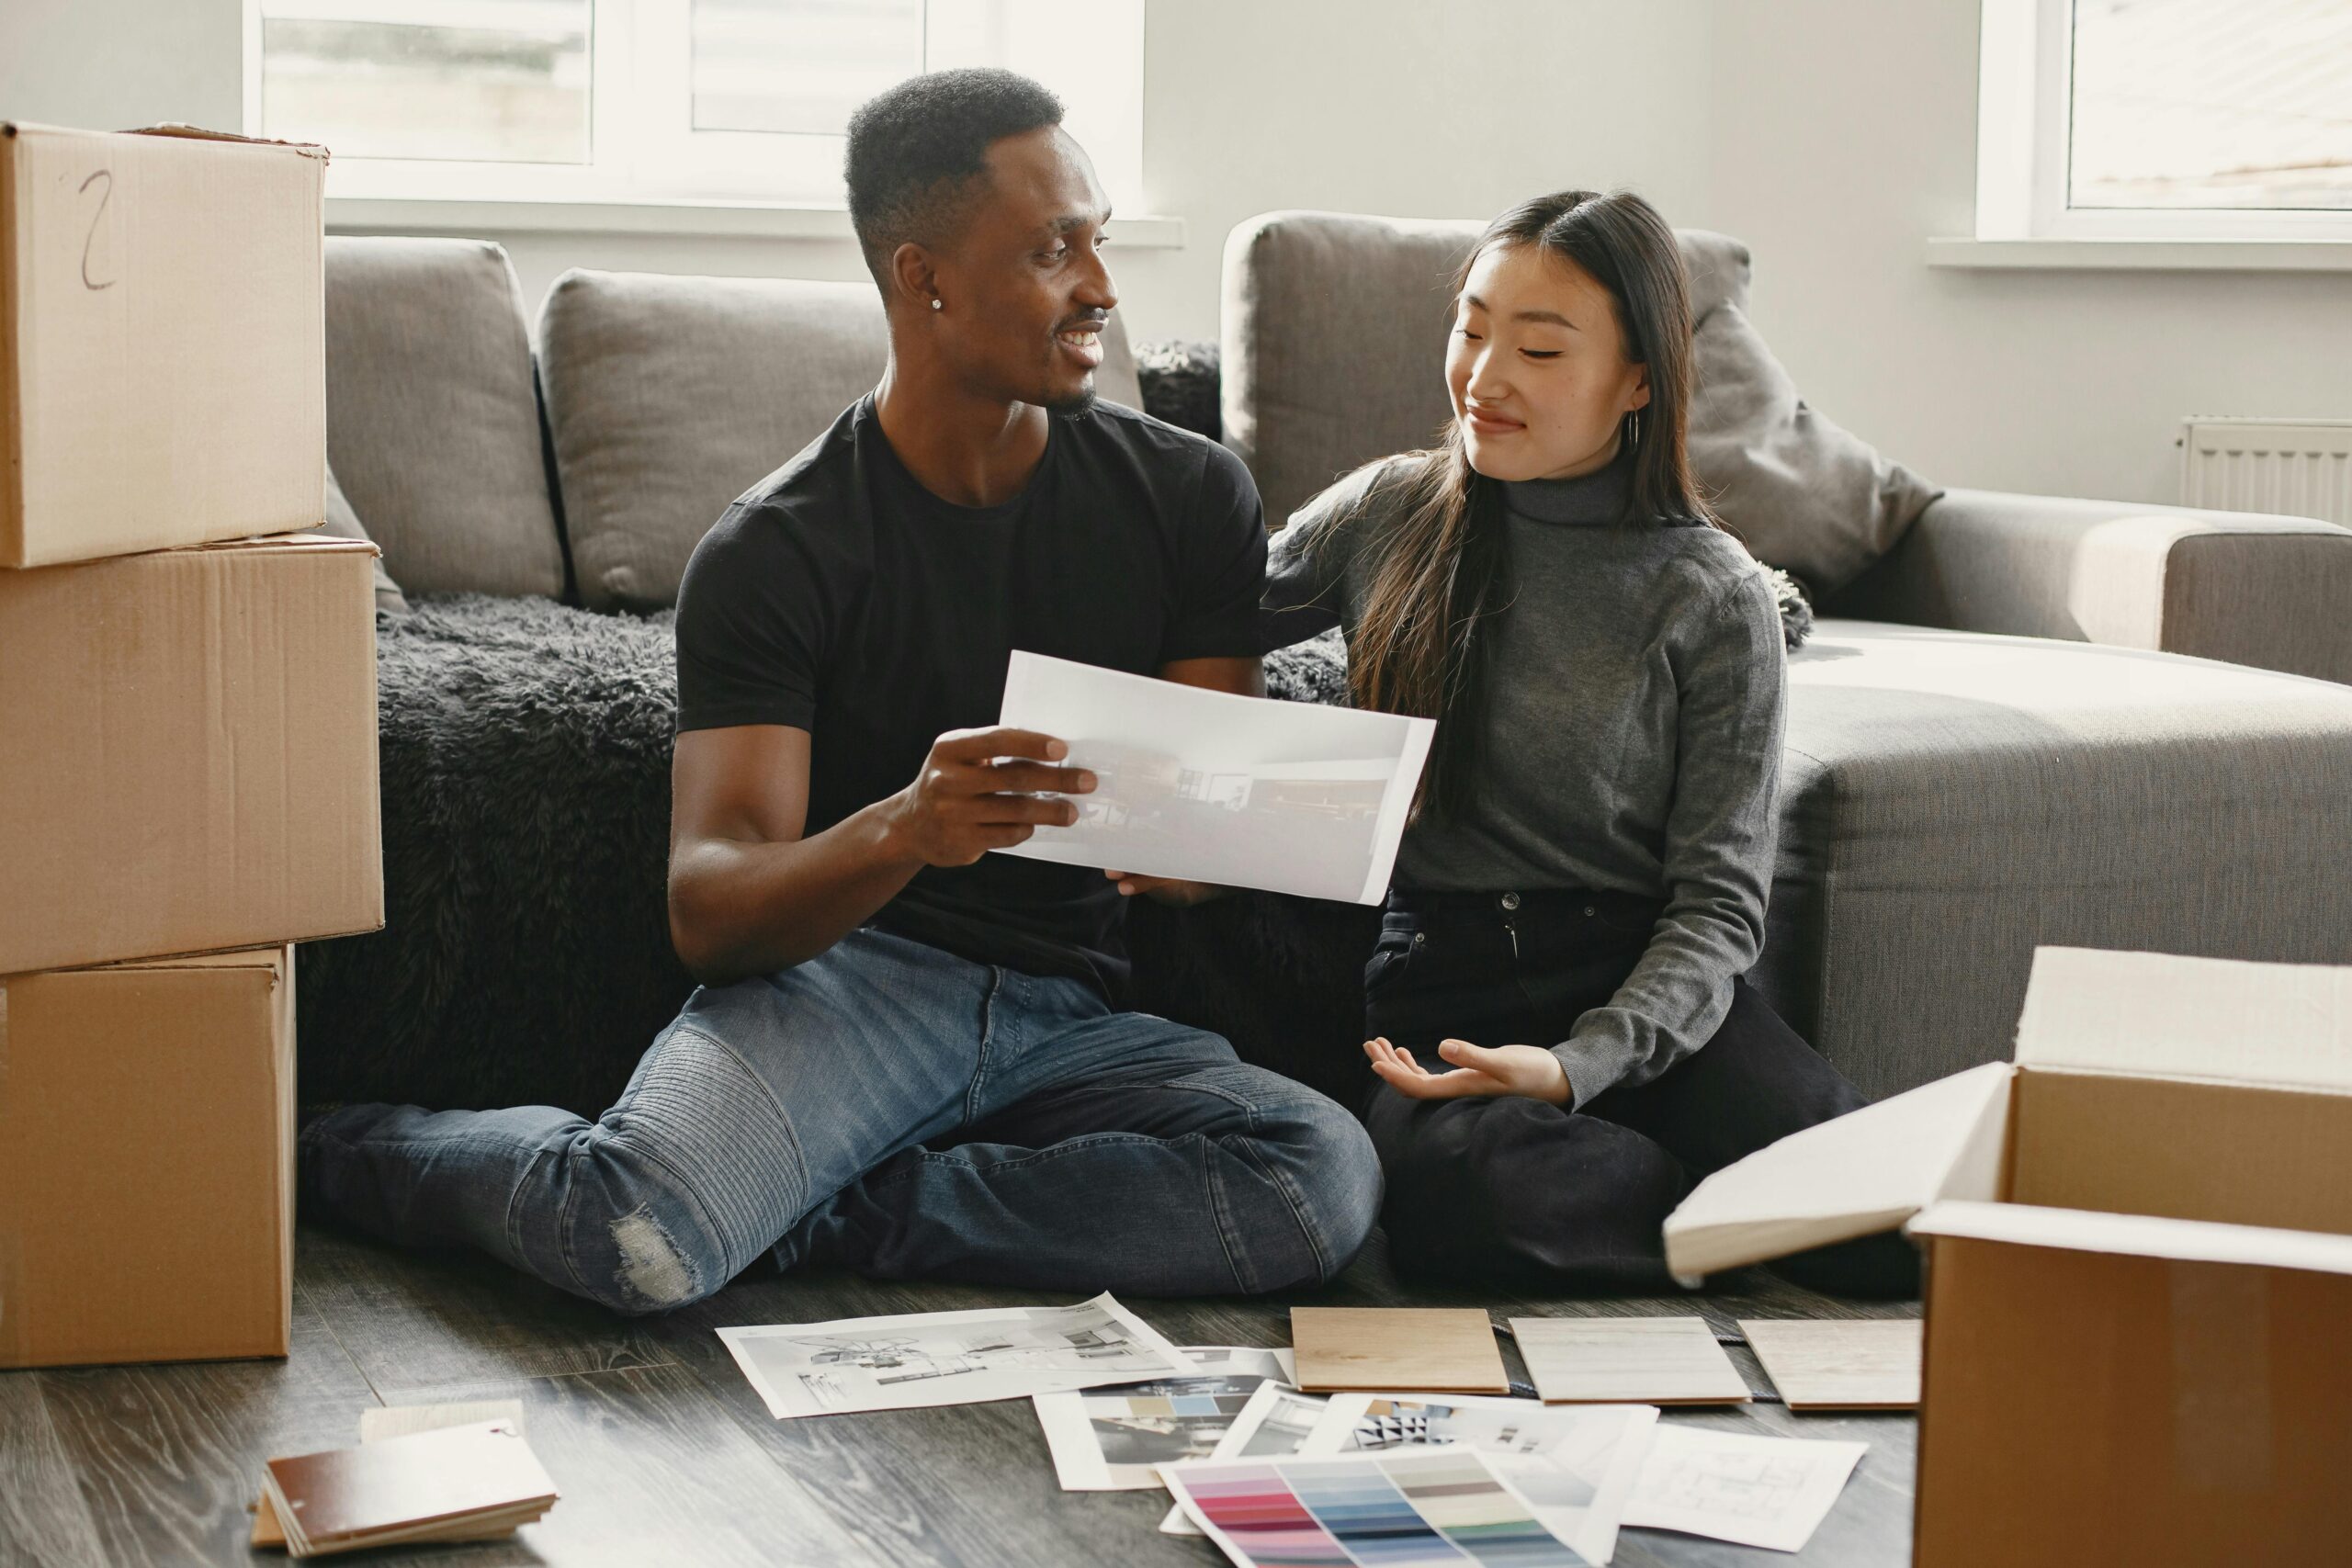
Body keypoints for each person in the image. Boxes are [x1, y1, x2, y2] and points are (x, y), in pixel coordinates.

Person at [300, 69, 1380, 1314]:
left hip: (1073, 1014)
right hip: (849, 985)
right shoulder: (777, 548)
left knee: (1320, 1175)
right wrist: (907, 827)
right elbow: (711, 903)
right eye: (1053, 249)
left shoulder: (1191, 496)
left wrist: (1236, 821)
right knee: (635, 1229)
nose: (1102, 285)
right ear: (924, 277)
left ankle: (825, 1209)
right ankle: (339, 1144)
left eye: (1100, 238)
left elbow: (1201, 838)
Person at [1250, 188, 1915, 1295]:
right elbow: (1197, 625)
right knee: (1475, 1203)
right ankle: (1720, 1215)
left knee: (1892, 1236)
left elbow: (1717, 907)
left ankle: (1707, 1200)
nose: (1485, 375)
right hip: (1443, 985)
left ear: (1640, 381)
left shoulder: (1711, 593)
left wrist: (1574, 1069)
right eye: (1470, 328)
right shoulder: (1387, 512)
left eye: (1540, 348)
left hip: (1644, 982)